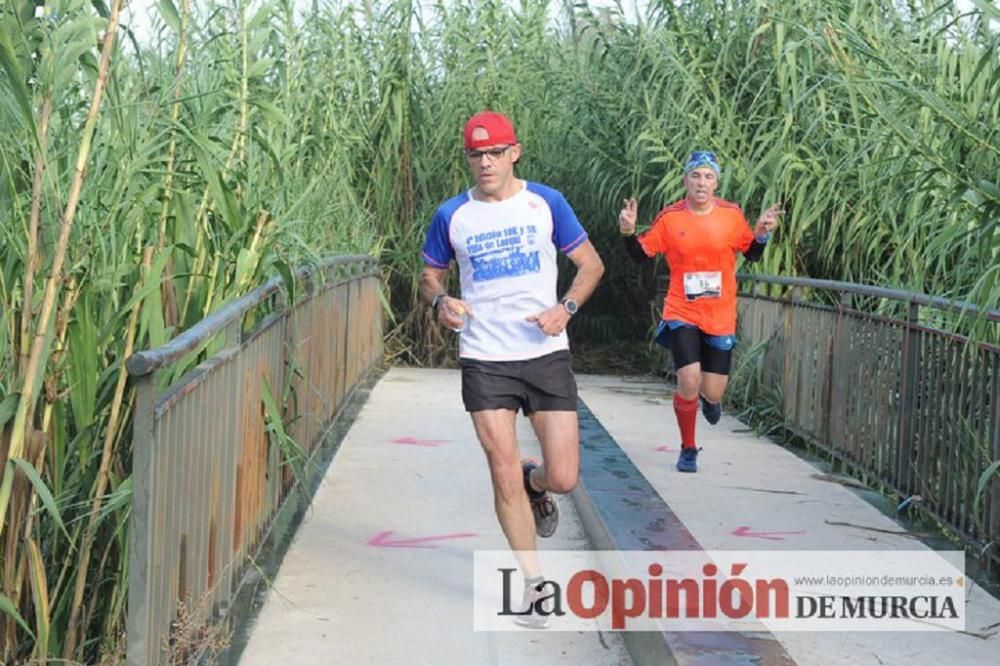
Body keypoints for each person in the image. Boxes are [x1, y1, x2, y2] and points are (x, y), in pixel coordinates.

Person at [420, 110, 604, 626]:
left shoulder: (546, 202)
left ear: (514, 152)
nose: (485, 163)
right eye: (476, 155)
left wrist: (564, 309)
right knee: (501, 475)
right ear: (468, 159)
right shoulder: (451, 215)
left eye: (495, 153)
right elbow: (430, 277)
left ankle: (537, 482)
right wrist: (440, 303)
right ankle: (534, 586)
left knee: (565, 476)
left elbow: (591, 264)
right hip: (484, 357)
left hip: (545, 353)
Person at [618, 150, 782, 473]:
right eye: (695, 176)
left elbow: (752, 254)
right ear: (686, 181)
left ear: (716, 182)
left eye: (708, 176)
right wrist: (627, 232)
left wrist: (762, 232)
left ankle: (711, 399)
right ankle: (688, 448)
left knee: (712, 389)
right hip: (682, 310)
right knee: (688, 378)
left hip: (719, 315)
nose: (701, 182)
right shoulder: (670, 218)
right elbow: (641, 255)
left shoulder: (731, 216)